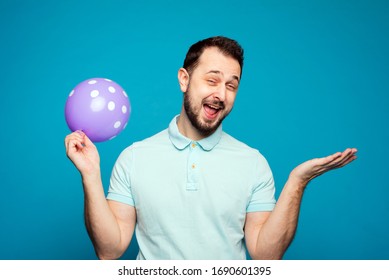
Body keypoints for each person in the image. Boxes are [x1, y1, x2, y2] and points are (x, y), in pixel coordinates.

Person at [64, 36, 357, 260]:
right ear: (184, 79)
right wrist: (90, 175)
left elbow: (265, 255)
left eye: (231, 85)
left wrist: (297, 182)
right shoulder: (134, 157)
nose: (220, 94)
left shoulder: (253, 163)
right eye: (212, 80)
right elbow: (110, 250)